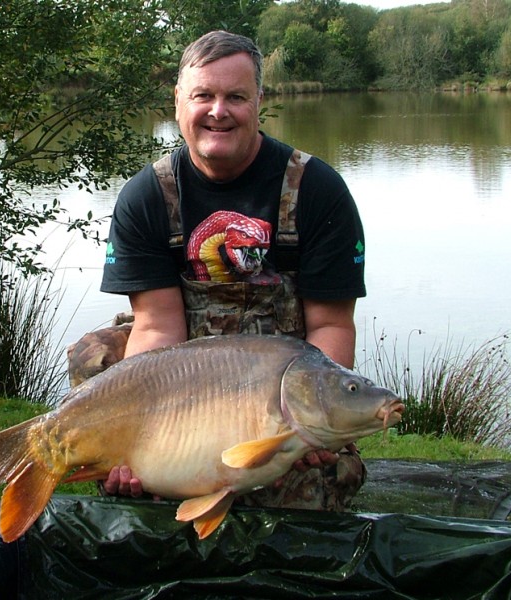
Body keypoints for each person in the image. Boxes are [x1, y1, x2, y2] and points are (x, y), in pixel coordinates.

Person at [95, 30, 368, 509]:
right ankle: (132, 461)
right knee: (94, 357)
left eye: (236, 97)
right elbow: (157, 327)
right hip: (186, 385)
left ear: (259, 101)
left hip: (274, 390)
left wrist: (305, 424)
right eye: (203, 95)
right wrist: (138, 436)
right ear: (178, 100)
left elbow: (330, 325)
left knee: (311, 483)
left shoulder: (317, 190)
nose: (218, 111)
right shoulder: (146, 196)